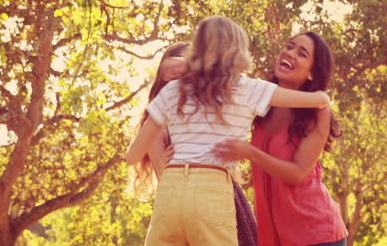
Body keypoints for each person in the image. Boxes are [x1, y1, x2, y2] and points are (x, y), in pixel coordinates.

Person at [125, 16, 329, 246]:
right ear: (238, 52)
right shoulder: (249, 89)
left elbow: (131, 156)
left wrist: (166, 167)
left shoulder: (172, 90)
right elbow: (320, 99)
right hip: (211, 187)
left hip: (170, 192)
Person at [212, 31, 348, 246]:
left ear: (312, 73)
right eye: (289, 46)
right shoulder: (260, 102)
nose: (290, 53)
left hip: (316, 235)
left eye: (302, 53)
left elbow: (297, 174)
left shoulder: (318, 111)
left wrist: (250, 152)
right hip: (272, 239)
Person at [133, 41, 189, 193]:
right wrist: (164, 167)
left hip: (224, 194)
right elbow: (163, 180)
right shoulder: (160, 126)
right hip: (184, 197)